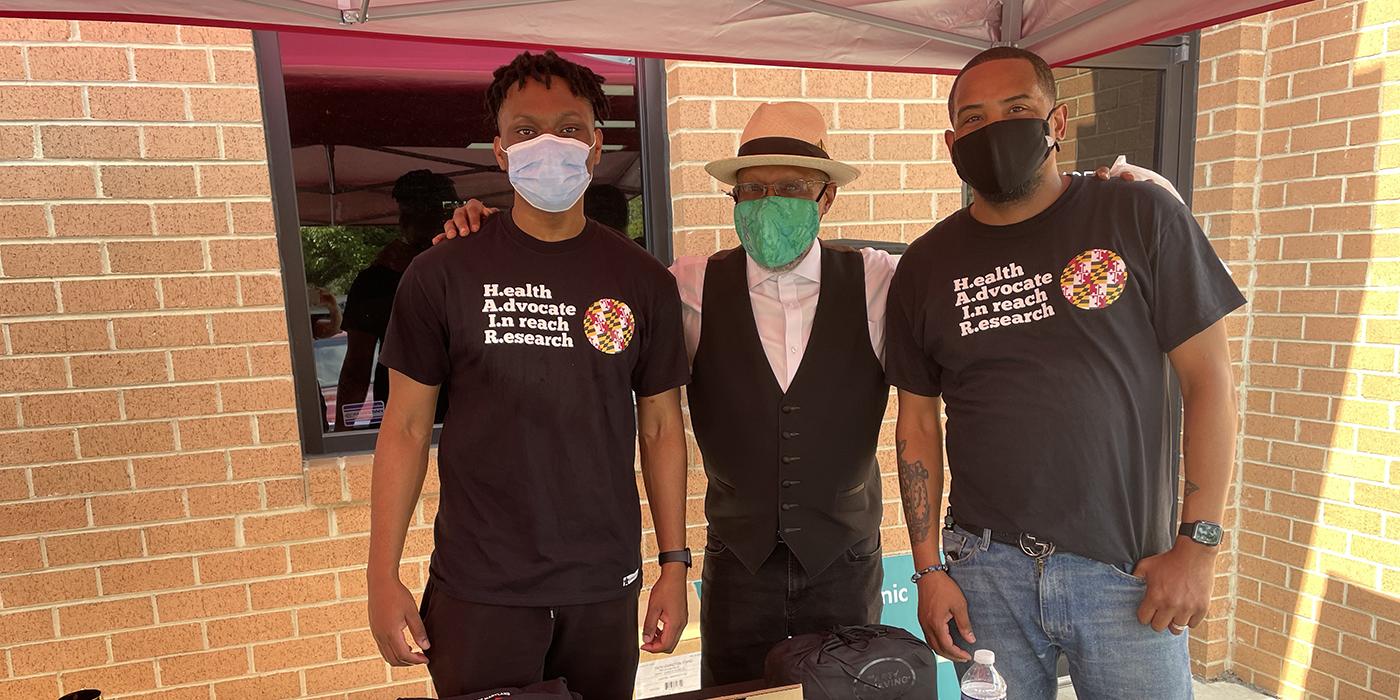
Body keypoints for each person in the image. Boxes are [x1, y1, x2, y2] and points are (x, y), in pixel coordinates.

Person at [441, 99, 1177, 688]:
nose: (769, 202)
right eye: (752, 189)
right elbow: (591, 304)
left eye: (789, 188)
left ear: (825, 195)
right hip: (738, 567)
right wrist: (482, 229)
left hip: (845, 563)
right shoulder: (686, 287)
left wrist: (1095, 193)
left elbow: (991, 264)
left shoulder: (886, 281)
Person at [885, 46, 1244, 700]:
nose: (994, 128)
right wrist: (929, 567)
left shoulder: (1140, 216)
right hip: (982, 574)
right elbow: (915, 422)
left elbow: (1211, 382)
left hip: (1127, 576)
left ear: (1058, 120)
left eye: (1017, 108)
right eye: (973, 118)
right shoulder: (926, 266)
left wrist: (1199, 546)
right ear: (950, 141)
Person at [366, 50, 691, 699]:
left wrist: (674, 566)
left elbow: (660, 428)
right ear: (499, 149)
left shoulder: (643, 282)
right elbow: (403, 427)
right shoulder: (442, 274)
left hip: (603, 588)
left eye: (569, 127)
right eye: (526, 129)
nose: (549, 144)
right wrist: (381, 574)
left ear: (596, 147)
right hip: (479, 592)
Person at [335, 170, 456, 431]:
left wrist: (341, 436)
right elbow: (357, 365)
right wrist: (340, 436)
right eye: (410, 212)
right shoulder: (376, 281)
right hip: (407, 420)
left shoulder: (469, 268)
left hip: (460, 420)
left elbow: (357, 365)